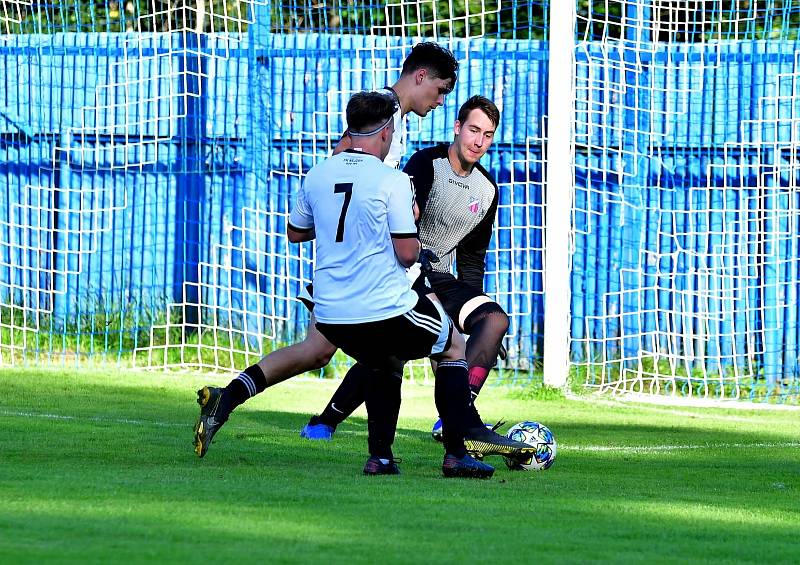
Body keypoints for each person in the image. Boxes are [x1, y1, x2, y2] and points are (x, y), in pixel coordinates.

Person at [193, 42, 458, 459]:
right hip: (367, 261)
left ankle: (230, 399)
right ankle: (456, 435)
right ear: (420, 76)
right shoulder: (385, 113)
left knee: (320, 350)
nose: (440, 101)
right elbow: (343, 162)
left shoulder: (392, 115)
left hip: (354, 258)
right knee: (442, 337)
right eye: (440, 90)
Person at [287, 91, 495, 477]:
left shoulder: (322, 172)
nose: (479, 140)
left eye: (488, 133)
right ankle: (455, 446)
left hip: (348, 297)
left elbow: (295, 231)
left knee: (479, 325)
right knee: (447, 345)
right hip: (398, 281)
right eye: (473, 129)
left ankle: (379, 453)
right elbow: (404, 250)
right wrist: (411, 243)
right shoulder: (415, 168)